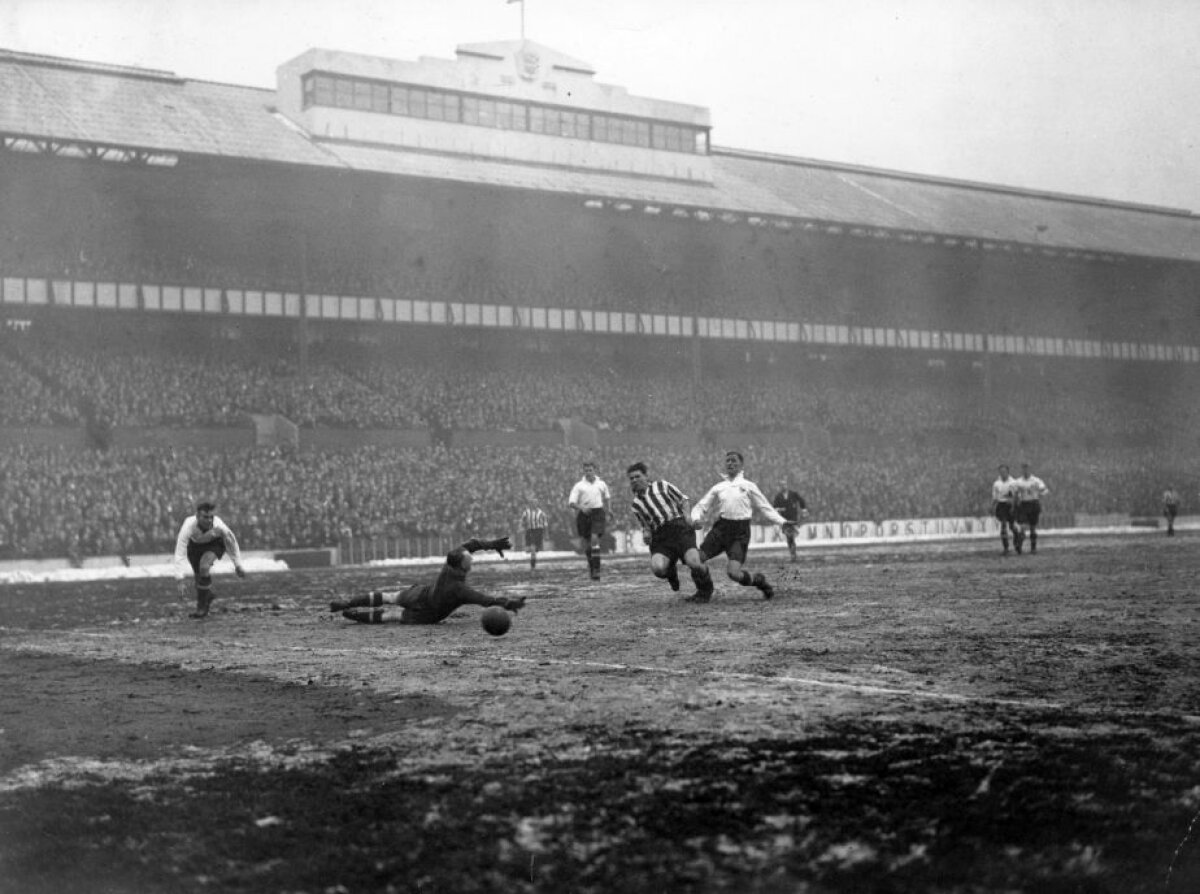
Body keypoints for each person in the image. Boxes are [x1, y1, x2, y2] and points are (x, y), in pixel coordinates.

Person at [329, 536, 523, 624]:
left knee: (390, 597)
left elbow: (471, 545)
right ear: (462, 565)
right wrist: (508, 603)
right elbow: (484, 599)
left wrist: (491, 545)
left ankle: (346, 604)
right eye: (468, 558)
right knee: (390, 616)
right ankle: (354, 615)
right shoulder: (458, 589)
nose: (470, 557)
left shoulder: (451, 561)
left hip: (421, 594)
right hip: (429, 615)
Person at [689, 450, 788, 602]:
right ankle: (704, 592)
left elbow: (765, 507)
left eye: (734, 460)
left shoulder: (749, 486)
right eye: (728, 461)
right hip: (721, 529)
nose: (730, 463)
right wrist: (696, 519)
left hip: (740, 533)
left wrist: (783, 522)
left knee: (733, 573)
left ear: (741, 465)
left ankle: (759, 581)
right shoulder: (719, 487)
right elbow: (701, 506)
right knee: (696, 559)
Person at [627, 461, 714, 600]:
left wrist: (687, 517)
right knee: (658, 569)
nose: (634, 480)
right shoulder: (635, 505)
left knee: (694, 562)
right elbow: (645, 525)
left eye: (637, 476)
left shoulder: (662, 485)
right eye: (631, 478)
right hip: (661, 538)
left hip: (679, 529)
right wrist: (646, 533)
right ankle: (671, 573)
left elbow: (683, 499)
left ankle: (706, 588)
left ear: (646, 476)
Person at [173, 500, 246, 619]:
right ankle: (208, 596)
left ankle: (202, 608)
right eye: (205, 517)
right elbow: (180, 552)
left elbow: (232, 542)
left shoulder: (219, 526)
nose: (209, 520)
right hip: (195, 546)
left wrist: (237, 564)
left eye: (211, 517)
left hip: (214, 544)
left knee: (204, 566)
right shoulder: (188, 526)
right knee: (199, 580)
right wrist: (179, 579)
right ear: (197, 516)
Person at [568, 460, 611, 581]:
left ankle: (597, 569)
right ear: (584, 471)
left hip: (597, 513)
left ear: (594, 470)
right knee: (587, 546)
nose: (588, 472)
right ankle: (592, 567)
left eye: (590, 470)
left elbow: (607, 497)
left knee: (594, 539)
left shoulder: (601, 484)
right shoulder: (579, 486)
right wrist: (581, 507)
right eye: (586, 470)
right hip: (584, 515)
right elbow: (571, 503)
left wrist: (609, 510)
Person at [1013, 462, 1050, 554]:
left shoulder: (1036, 481)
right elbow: (1014, 494)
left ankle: (1033, 548)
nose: (1025, 470)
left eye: (1027, 468)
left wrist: (1040, 492)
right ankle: (1020, 543)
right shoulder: (1018, 482)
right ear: (1022, 470)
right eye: (1024, 468)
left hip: (1033, 504)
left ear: (1030, 469)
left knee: (1033, 527)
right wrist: (1015, 503)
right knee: (1022, 526)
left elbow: (1045, 491)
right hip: (1023, 504)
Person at [771, 477, 809, 562]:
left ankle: (793, 554)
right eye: (781, 485)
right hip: (784, 520)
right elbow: (774, 508)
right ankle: (793, 553)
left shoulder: (793, 494)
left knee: (791, 536)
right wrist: (780, 509)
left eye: (784, 484)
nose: (783, 486)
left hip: (793, 519)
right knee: (789, 537)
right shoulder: (778, 497)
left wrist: (804, 509)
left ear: (787, 485)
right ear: (780, 486)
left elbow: (801, 500)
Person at [991, 464, 1020, 555]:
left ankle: (1017, 541)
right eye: (1001, 472)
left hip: (1010, 505)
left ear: (1008, 472)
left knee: (1012, 526)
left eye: (1004, 471)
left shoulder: (1013, 482)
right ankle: (1006, 548)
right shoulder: (996, 483)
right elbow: (995, 497)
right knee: (1003, 525)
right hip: (1001, 505)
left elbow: (1016, 496)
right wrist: (992, 506)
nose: (1002, 473)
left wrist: (1013, 506)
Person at [518, 498, 549, 569]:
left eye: (536, 503)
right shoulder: (526, 512)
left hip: (538, 531)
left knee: (533, 549)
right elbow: (522, 520)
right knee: (528, 549)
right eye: (533, 503)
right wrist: (520, 527)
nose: (534, 504)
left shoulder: (541, 513)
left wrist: (546, 534)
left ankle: (532, 564)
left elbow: (545, 524)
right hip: (529, 530)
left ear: (537, 504)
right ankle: (534, 551)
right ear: (530, 504)